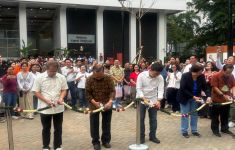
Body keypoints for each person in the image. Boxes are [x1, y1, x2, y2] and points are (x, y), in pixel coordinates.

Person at [32, 61, 68, 150]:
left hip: (58, 107)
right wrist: (46, 101)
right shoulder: (39, 77)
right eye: (50, 71)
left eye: (54, 71)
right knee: (46, 128)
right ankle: (46, 146)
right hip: (45, 108)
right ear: (46, 69)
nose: (52, 73)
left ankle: (58, 146)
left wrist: (61, 98)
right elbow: (36, 92)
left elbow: (64, 89)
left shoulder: (61, 77)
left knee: (58, 128)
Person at [86, 64, 115, 150]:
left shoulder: (108, 78)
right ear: (93, 72)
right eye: (96, 76)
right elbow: (87, 93)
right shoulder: (89, 79)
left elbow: (112, 91)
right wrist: (94, 103)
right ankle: (95, 142)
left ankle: (106, 141)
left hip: (107, 104)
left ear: (103, 72)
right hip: (94, 104)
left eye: (100, 76)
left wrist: (110, 101)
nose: (98, 78)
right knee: (94, 124)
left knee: (106, 123)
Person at [177, 64, 211, 138]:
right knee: (185, 114)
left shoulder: (201, 76)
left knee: (194, 114)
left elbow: (205, 87)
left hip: (195, 98)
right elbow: (183, 88)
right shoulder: (185, 76)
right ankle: (184, 131)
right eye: (200, 72)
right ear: (195, 72)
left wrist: (208, 96)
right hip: (185, 97)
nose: (201, 73)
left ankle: (194, 130)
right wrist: (192, 96)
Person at [136, 63, 164, 144]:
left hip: (153, 100)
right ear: (150, 70)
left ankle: (153, 136)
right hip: (141, 99)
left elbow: (161, 90)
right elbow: (138, 88)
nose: (156, 75)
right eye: (155, 73)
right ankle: (141, 137)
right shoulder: (141, 75)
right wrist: (143, 98)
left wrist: (158, 101)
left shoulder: (160, 77)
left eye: (158, 74)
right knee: (141, 119)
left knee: (153, 119)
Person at [210, 64, 235, 137]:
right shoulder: (216, 75)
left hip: (227, 100)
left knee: (225, 115)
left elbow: (233, 85)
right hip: (216, 99)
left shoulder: (231, 76)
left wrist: (233, 95)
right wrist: (223, 95)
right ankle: (215, 130)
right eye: (227, 73)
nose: (228, 74)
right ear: (223, 70)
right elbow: (214, 87)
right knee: (215, 116)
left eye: (230, 72)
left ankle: (224, 128)